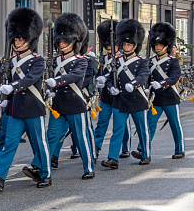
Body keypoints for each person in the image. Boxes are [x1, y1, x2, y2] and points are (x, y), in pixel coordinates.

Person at [0, 7, 50, 192]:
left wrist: (13, 87)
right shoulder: (9, 61)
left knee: (39, 144)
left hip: (33, 108)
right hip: (16, 108)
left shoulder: (37, 60)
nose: (17, 41)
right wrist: (5, 97)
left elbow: (30, 79)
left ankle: (45, 174)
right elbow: (6, 81)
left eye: (21, 38)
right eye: (16, 38)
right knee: (8, 144)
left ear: (29, 40)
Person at [44, 13, 95, 179]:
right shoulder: (54, 60)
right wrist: (49, 89)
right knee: (51, 136)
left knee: (81, 137)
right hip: (58, 104)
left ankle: (89, 168)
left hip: (75, 103)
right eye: (59, 41)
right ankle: (43, 169)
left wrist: (56, 81)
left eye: (64, 41)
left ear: (74, 42)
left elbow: (74, 76)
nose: (61, 43)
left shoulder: (81, 60)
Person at [101, 19, 150, 169]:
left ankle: (145, 154)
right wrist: (110, 87)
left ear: (135, 45)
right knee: (117, 130)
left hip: (136, 98)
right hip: (120, 99)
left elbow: (143, 76)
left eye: (129, 44)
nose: (126, 46)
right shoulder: (116, 61)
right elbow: (110, 78)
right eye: (124, 44)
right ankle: (113, 158)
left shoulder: (142, 61)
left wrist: (133, 84)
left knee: (142, 129)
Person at [133, 22, 184, 160]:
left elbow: (174, 78)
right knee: (149, 124)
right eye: (155, 45)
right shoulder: (150, 61)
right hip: (155, 98)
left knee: (174, 124)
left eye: (160, 45)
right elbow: (146, 77)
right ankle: (142, 149)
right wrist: (146, 88)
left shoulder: (173, 61)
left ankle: (180, 149)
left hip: (170, 96)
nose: (157, 47)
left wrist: (161, 83)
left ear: (166, 45)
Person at [94, 20, 131, 161]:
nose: (109, 47)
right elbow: (98, 74)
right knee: (101, 122)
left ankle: (125, 147)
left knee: (121, 125)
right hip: (106, 96)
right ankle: (96, 149)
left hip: (120, 96)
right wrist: (99, 80)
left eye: (111, 45)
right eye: (107, 45)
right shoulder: (103, 59)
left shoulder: (124, 59)